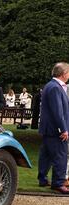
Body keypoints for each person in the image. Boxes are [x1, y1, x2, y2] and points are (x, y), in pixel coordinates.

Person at [37, 62, 69, 194]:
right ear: (64, 73)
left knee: (46, 155)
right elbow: (58, 111)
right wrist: (63, 129)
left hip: (48, 128)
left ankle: (43, 179)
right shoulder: (56, 87)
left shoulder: (51, 85)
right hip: (55, 129)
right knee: (61, 155)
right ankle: (58, 183)